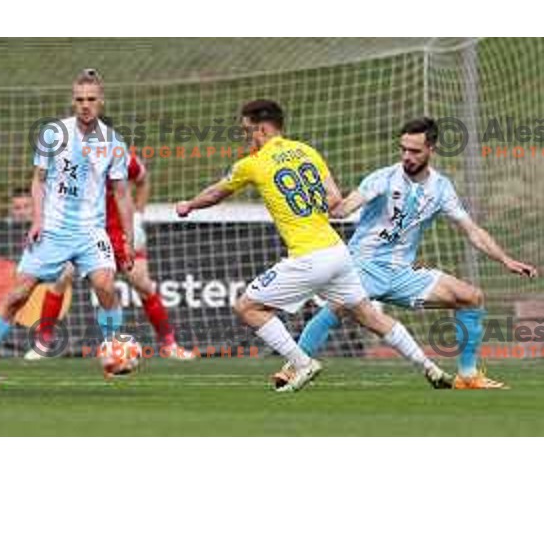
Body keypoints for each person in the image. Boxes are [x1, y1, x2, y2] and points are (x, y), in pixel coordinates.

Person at [176, 100, 452, 392]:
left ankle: (302, 363)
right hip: (338, 252)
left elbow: (215, 194)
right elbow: (335, 199)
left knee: (247, 307)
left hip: (308, 257)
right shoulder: (308, 152)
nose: (248, 138)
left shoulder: (252, 164)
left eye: (248, 131)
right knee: (371, 317)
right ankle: (430, 368)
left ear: (263, 128)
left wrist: (189, 205)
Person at [293, 116, 538, 389]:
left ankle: (467, 376)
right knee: (337, 307)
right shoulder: (383, 178)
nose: (407, 156)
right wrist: (323, 200)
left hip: (402, 274)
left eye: (414, 151)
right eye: (403, 149)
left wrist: (505, 259)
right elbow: (344, 208)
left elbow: (472, 230)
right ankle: (295, 366)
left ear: (431, 149)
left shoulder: (441, 187)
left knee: (471, 297)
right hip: (363, 266)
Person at [0, 68, 133, 379]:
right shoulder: (53, 133)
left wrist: (126, 238)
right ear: (72, 101)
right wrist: (38, 219)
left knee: (105, 285)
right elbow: (37, 181)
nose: (85, 105)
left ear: (101, 101)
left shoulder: (114, 143)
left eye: (91, 99)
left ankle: (111, 355)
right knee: (18, 294)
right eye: (79, 100)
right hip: (53, 230)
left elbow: (122, 193)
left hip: (91, 231)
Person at [24, 148, 194, 361]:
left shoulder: (123, 158)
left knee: (141, 282)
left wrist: (138, 216)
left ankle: (170, 345)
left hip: (120, 233)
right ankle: (43, 343)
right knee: (61, 278)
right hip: (83, 233)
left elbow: (142, 180)